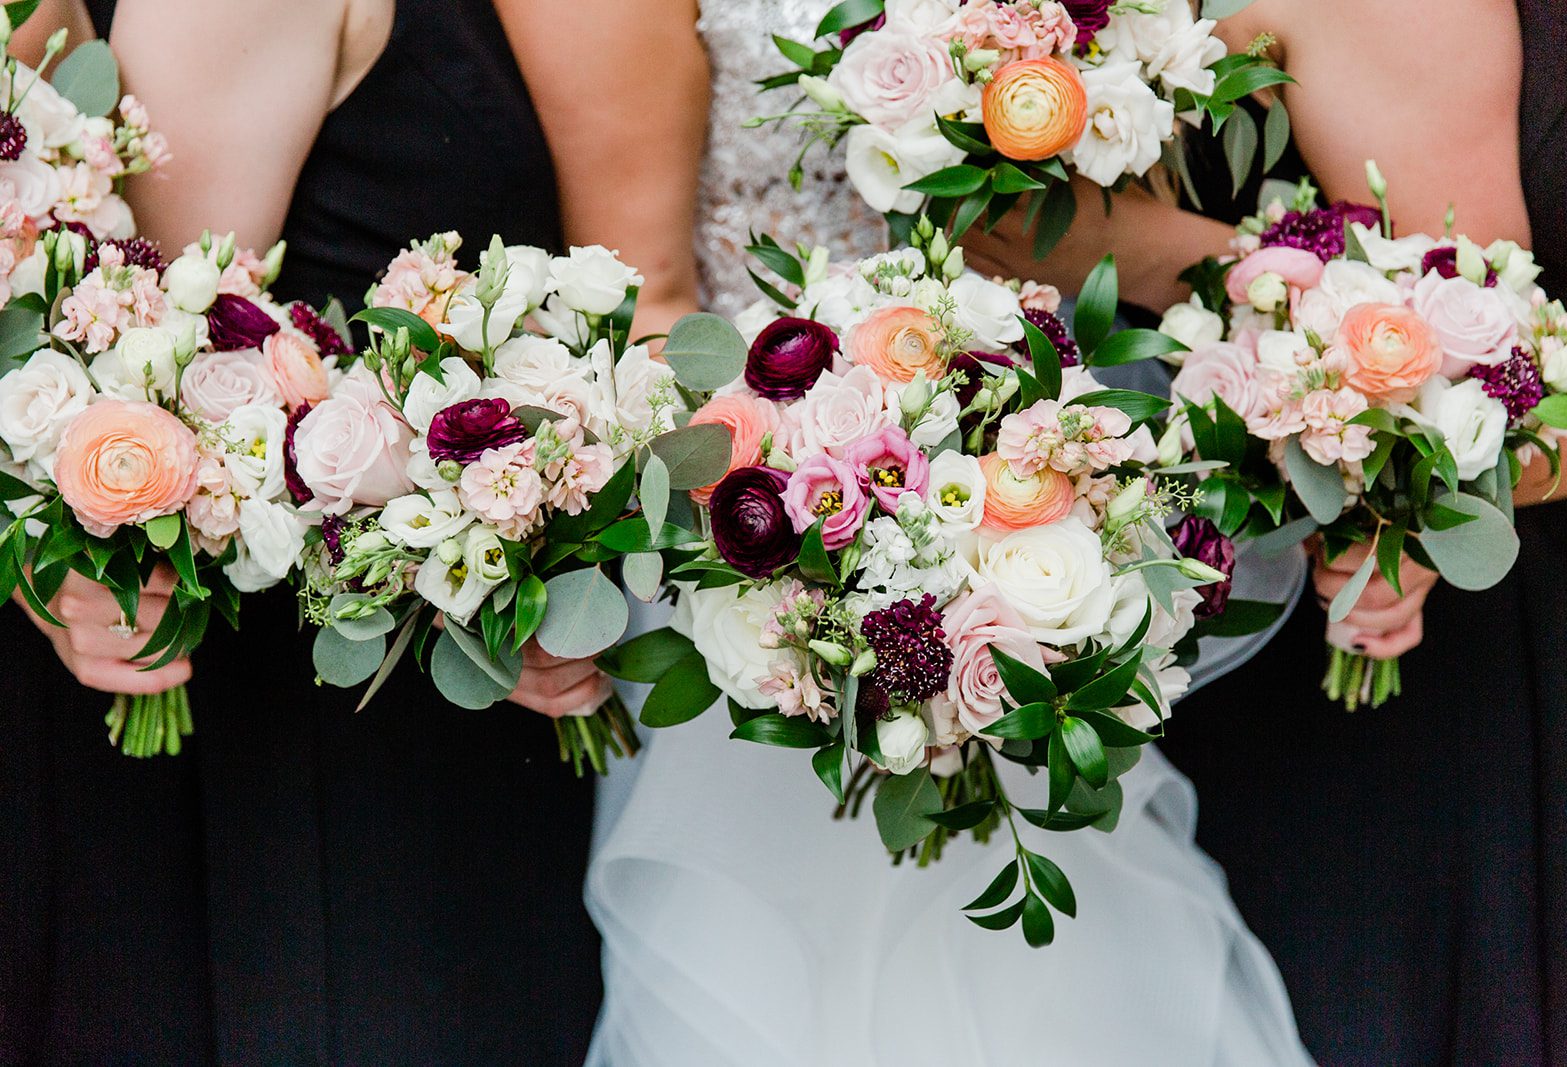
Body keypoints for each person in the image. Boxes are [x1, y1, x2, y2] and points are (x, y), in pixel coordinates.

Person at [575, 3, 1312, 1064]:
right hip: (768, 531)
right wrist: (816, 549)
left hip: (1038, 488)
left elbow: (1120, 198)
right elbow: (648, 305)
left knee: (1066, 977)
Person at [0, 0, 695, 1061]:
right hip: (291, 739)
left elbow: (652, 300)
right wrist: (47, 561)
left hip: (460, 730)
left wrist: (560, 544)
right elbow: (150, 370)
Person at [966, 0, 1567, 1061]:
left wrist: (1413, 470)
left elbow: (1481, 365)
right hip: (1308, 602)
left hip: (1510, 565)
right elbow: (1453, 334)